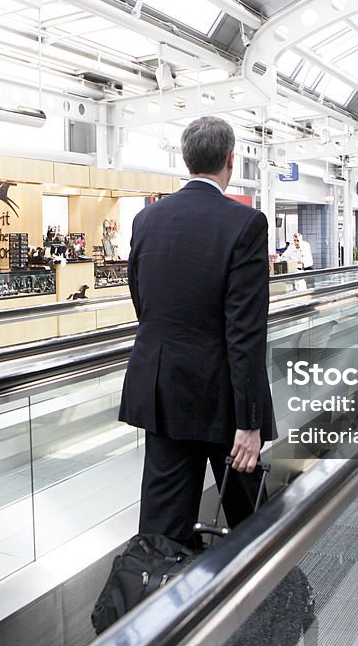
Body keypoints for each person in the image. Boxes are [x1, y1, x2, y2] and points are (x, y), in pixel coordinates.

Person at [119, 116, 274, 545]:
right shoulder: (245, 223)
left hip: (163, 393)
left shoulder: (146, 219)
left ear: (186, 159)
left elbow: (142, 300)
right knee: (253, 524)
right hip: (223, 399)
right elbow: (245, 331)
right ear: (230, 159)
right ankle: (273, 606)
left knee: (162, 529)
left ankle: (155, 605)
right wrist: (250, 420)